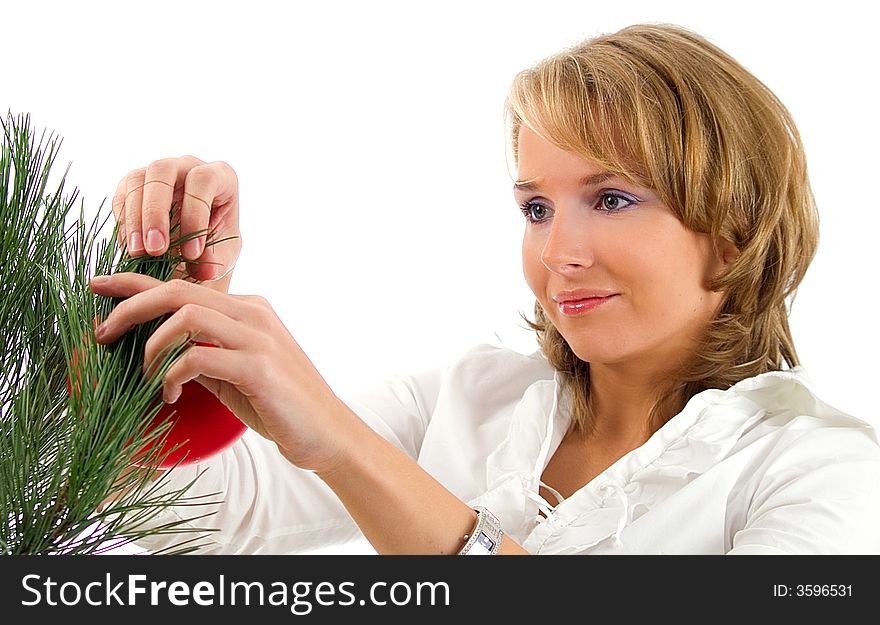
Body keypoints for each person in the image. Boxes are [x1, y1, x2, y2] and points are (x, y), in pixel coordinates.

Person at [91, 23, 880, 555]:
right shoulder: (469, 398)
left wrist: (343, 442)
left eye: (610, 198)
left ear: (733, 228)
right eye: (536, 206)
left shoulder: (818, 468)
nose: (558, 251)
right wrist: (168, 318)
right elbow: (195, 515)